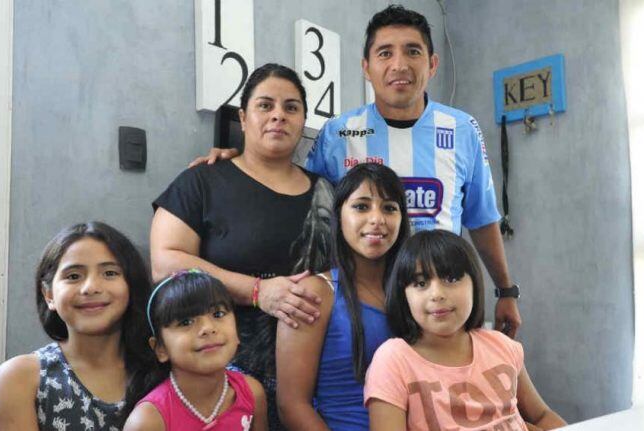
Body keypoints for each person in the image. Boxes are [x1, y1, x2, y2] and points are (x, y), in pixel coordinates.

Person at [190, 6, 522, 338]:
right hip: (358, 308)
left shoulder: (462, 129)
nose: (399, 65)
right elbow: (295, 188)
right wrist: (243, 160)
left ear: (432, 64)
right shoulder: (339, 132)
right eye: (385, 53)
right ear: (366, 67)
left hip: (439, 303)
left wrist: (506, 291)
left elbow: (482, 218)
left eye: (413, 51)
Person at [150, 63, 333, 430]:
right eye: (265, 105)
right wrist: (257, 291)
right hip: (225, 379)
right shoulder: (202, 181)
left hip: (318, 379)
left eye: (291, 107)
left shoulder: (328, 193)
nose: (278, 115)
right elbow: (165, 263)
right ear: (244, 117)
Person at [364, 230, 566, 431]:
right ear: (403, 295)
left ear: (474, 284)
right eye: (421, 283)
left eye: (451, 279)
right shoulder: (393, 360)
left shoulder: (501, 345)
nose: (437, 294)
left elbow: (541, 415)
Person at [276, 163, 410, 430]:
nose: (377, 219)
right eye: (361, 206)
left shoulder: (416, 290)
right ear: (339, 216)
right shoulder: (316, 292)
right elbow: (292, 405)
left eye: (389, 208)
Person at [0, 222, 153, 430]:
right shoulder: (21, 379)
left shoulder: (163, 371)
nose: (91, 287)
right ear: (48, 294)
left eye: (110, 273)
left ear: (132, 285)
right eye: (73, 276)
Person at [124, 270, 267, 431]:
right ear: (161, 348)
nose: (208, 328)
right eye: (186, 322)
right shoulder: (148, 420)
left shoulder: (252, 393)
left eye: (218, 314)